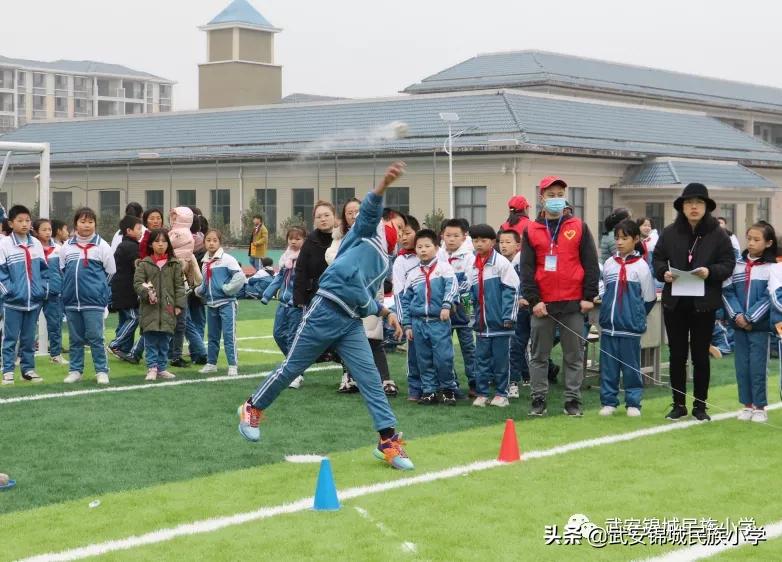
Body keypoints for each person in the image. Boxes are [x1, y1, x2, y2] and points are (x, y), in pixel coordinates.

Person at [238, 162, 414, 472]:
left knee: (371, 380)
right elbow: (371, 209)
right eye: (397, 225)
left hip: (349, 322)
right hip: (324, 311)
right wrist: (385, 183)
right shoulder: (364, 235)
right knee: (293, 366)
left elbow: (364, 297)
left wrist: (384, 311)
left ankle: (387, 440)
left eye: (404, 229)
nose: (400, 232)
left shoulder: (386, 262)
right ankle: (252, 408)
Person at [652, 183, 735, 421]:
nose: (694, 207)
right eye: (689, 203)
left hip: (704, 304)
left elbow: (729, 263)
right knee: (677, 354)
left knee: (700, 356)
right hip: (675, 303)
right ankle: (678, 404)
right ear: (682, 207)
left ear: (706, 206)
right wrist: (662, 273)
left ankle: (700, 406)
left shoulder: (718, 234)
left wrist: (710, 271)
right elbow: (657, 258)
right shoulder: (669, 232)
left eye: (699, 203)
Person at [522, 175, 600, 417]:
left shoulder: (579, 226)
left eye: (559, 195)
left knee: (574, 356)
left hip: (573, 302)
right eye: (550, 195)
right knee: (539, 356)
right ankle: (538, 399)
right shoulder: (531, 230)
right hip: (542, 305)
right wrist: (534, 300)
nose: (555, 199)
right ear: (541, 197)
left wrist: (589, 296)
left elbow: (590, 263)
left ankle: (572, 400)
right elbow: (526, 268)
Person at [327, 198, 398, 396]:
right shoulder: (339, 237)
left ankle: (384, 379)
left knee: (374, 337)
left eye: (357, 211)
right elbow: (333, 258)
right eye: (349, 212)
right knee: (349, 338)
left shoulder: (375, 235)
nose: (354, 215)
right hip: (346, 295)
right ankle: (350, 378)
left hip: (371, 292)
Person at [598, 219, 656, 417]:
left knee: (631, 367)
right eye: (617, 238)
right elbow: (605, 291)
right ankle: (609, 401)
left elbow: (648, 299)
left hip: (630, 328)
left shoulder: (642, 267)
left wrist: (635, 317)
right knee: (608, 367)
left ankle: (633, 402)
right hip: (608, 327)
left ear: (636, 239)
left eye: (625, 238)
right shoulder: (608, 264)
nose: (620, 242)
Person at [723, 221, 776, 423]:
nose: (751, 243)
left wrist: (750, 317)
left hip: (759, 327)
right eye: (749, 239)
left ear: (769, 243)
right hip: (739, 326)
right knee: (742, 367)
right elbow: (727, 292)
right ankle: (746, 405)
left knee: (758, 367)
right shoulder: (737, 265)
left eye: (757, 239)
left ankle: (760, 407)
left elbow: (770, 296)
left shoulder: (773, 268)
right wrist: (738, 316)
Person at [401, 229, 459, 405]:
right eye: (419, 247)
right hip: (418, 323)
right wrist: (407, 325)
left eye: (427, 246)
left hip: (438, 322)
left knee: (443, 358)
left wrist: (446, 305)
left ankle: (448, 389)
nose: (423, 250)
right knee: (423, 359)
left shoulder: (444, 268)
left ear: (436, 247)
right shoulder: (412, 273)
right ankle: (429, 391)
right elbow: (406, 301)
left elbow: (452, 287)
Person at [61, 207, 117, 385]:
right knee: (75, 338)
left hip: (93, 302)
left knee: (95, 337)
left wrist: (97, 289)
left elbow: (110, 272)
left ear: (95, 224)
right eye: (83, 221)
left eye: (90, 222)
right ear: (76, 224)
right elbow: (62, 270)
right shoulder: (66, 246)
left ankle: (101, 371)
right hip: (71, 301)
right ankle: (75, 370)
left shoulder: (102, 246)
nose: (86, 225)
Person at [468, 224, 519, 408]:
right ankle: (482, 394)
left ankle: (501, 393)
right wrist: (471, 316)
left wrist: (509, 317)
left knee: (501, 361)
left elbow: (512, 290)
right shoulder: (472, 265)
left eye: (483, 240)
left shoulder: (501, 263)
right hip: (481, 325)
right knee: (480, 360)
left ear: (492, 242)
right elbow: (468, 294)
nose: (479, 244)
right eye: (475, 240)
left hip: (500, 324)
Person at [289, 201, 336, 388]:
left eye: (326, 215)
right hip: (315, 299)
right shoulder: (310, 241)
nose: (323, 219)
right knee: (304, 338)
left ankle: (349, 377)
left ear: (335, 217)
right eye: (319, 216)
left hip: (340, 299)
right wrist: (299, 298)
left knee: (345, 339)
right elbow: (300, 270)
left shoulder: (343, 238)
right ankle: (295, 374)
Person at [0, 205, 47, 385]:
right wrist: (10, 291)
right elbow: (1, 273)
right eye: (20, 221)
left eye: (27, 220)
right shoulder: (4, 244)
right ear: (11, 223)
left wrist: (42, 289)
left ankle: (28, 369)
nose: (25, 224)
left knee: (28, 339)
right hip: (13, 302)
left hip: (33, 301)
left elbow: (44, 271)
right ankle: (8, 370)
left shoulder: (35, 243)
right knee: (10, 338)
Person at [134, 229, 187, 381]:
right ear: (151, 244)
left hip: (168, 309)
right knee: (150, 340)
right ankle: (152, 367)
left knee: (165, 341)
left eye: (164, 241)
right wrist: (146, 293)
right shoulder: (144, 264)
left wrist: (178, 305)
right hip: (149, 310)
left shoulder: (174, 264)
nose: (160, 244)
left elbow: (179, 286)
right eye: (157, 241)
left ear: (168, 244)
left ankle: (162, 368)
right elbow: (137, 283)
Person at [196, 229, 246, 377]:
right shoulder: (205, 263)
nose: (211, 243)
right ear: (204, 242)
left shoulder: (228, 259)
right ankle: (211, 363)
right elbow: (206, 283)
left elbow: (240, 277)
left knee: (229, 335)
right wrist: (198, 291)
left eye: (214, 240)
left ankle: (233, 365)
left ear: (219, 242)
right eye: (208, 240)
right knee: (212, 336)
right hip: (211, 305)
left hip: (227, 304)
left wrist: (227, 289)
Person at [438, 218, 477, 396]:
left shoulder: (469, 257)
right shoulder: (438, 255)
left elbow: (469, 282)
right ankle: (450, 383)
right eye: (448, 235)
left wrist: (451, 294)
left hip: (464, 305)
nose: (451, 239)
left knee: (468, 346)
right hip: (443, 308)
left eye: (456, 236)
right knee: (445, 347)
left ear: (464, 237)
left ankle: (474, 382)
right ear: (442, 236)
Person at [262, 226, 306, 356]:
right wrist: (267, 294)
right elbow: (279, 278)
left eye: (297, 239)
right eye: (291, 238)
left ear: (304, 240)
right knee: (278, 334)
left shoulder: (305, 259)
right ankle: (293, 363)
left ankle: (295, 369)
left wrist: (299, 298)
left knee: (293, 337)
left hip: (296, 305)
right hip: (282, 303)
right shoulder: (285, 258)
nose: (293, 241)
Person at [393, 214, 423, 400]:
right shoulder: (400, 261)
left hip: (435, 316)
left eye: (408, 233)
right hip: (413, 317)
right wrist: (405, 321)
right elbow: (398, 293)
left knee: (438, 354)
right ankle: (415, 388)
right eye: (400, 233)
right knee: (414, 354)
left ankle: (440, 388)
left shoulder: (433, 253)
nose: (403, 237)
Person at [108, 215, 143, 361]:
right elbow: (138, 268)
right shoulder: (131, 247)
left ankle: (123, 349)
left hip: (121, 289)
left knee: (125, 319)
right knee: (134, 318)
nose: (141, 231)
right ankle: (115, 344)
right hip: (126, 291)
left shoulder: (125, 245)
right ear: (129, 230)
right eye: (139, 228)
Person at [34, 218, 66, 364]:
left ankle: (56, 355)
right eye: (44, 230)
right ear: (36, 232)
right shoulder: (31, 248)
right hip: (35, 292)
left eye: (49, 229)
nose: (47, 232)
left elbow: (63, 270)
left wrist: (61, 286)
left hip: (54, 293)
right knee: (28, 326)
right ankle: (22, 355)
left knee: (55, 324)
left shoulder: (59, 249)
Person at [498, 229, 525, 398]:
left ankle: (514, 381)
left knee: (516, 346)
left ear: (517, 245)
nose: (504, 245)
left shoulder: (521, 261)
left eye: (508, 242)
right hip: (502, 311)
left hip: (521, 310)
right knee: (503, 348)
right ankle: (502, 379)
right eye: (501, 242)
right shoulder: (498, 262)